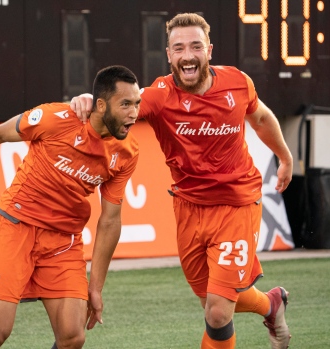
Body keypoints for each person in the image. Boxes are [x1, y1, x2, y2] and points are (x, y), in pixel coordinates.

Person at [71, 13, 293, 349]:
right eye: (179, 48)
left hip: (237, 204)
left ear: (209, 50)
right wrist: (88, 102)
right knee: (213, 300)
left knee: (218, 312)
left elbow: (260, 117)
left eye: (195, 46)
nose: (187, 54)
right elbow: (118, 108)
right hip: (188, 208)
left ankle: (266, 306)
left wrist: (286, 157)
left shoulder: (237, 82)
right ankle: (271, 304)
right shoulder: (159, 95)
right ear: (169, 54)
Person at [0, 65, 141, 349]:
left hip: (63, 241)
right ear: (101, 105)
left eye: (136, 104)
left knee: (73, 336)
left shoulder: (127, 151)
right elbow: (0, 133)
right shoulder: (56, 118)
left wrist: (96, 287)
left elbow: (110, 221)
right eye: (125, 104)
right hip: (16, 226)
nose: (134, 113)